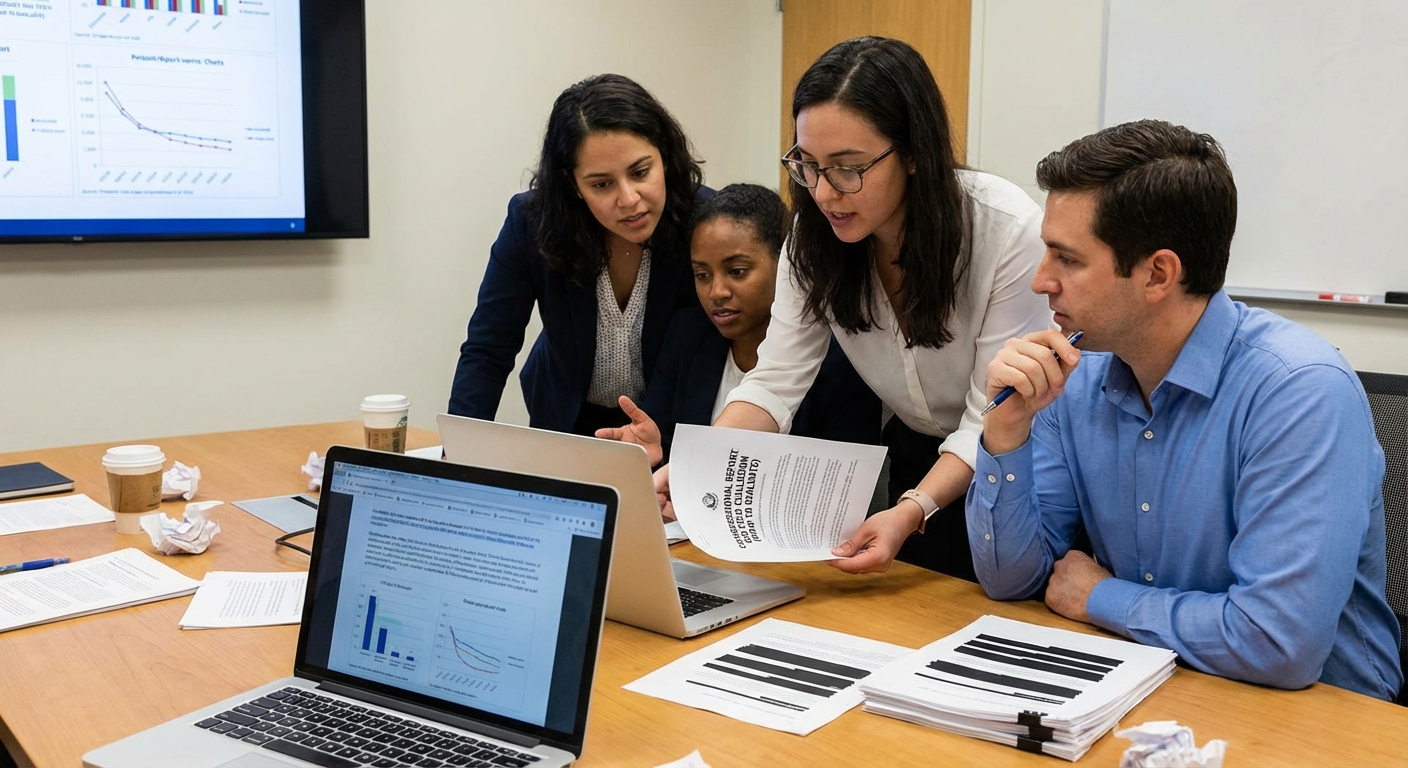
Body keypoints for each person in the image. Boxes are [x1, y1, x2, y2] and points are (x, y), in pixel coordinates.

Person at [970, 119, 1402, 699]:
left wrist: (1100, 597)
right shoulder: (1077, 373)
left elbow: (1280, 643)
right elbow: (1010, 580)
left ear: (1158, 274)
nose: (1041, 281)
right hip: (1155, 686)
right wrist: (1005, 432)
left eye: (1066, 259)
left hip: (1321, 719)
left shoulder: (1299, 391)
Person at [654, 37, 1052, 580]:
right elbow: (774, 383)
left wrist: (912, 510)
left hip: (1018, 457)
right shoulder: (814, 241)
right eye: (808, 165)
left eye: (847, 168)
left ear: (913, 153)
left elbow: (989, 414)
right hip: (918, 453)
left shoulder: (1004, 232)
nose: (823, 192)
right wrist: (698, 468)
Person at [448, 74, 709, 436]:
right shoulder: (532, 223)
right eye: (601, 184)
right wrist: (459, 445)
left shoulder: (707, 220)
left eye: (640, 172)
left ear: (663, 154)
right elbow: (489, 346)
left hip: (668, 424)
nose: (629, 199)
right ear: (573, 184)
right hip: (566, 419)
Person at [598, 183, 882, 485]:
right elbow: (664, 445)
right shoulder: (688, 336)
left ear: (786, 265)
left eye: (737, 271)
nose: (716, 292)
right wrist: (656, 450)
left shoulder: (840, 358)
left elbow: (847, 485)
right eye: (702, 275)